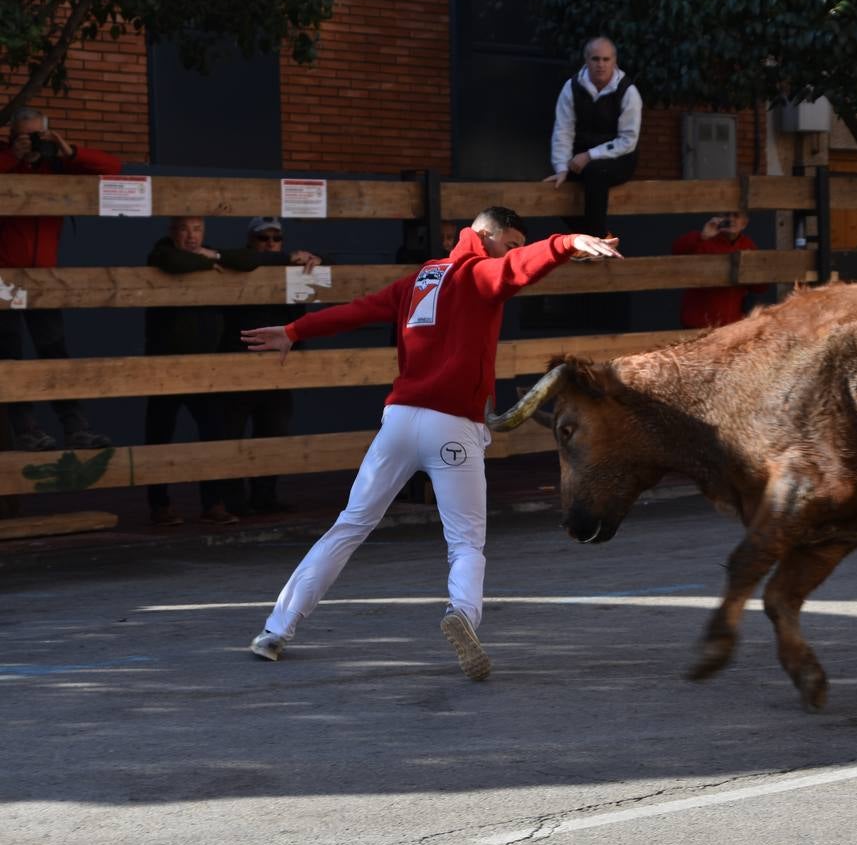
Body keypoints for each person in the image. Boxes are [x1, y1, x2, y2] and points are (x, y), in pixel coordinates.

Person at [242, 208, 621, 680]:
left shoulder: (422, 277)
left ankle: (276, 630)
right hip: (452, 427)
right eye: (511, 241)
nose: (514, 251)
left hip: (399, 421)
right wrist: (565, 243)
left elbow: (359, 310)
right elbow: (516, 268)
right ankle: (462, 614)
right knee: (465, 543)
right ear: (486, 236)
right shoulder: (481, 275)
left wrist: (296, 331)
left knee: (349, 525)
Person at [0, 107, 119, 451]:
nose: (33, 142)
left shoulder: (56, 165)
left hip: (46, 280)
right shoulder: (6, 162)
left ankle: (76, 428)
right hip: (4, 278)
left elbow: (112, 169)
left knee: (55, 354)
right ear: (11, 137)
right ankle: (26, 430)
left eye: (38, 135)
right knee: (9, 357)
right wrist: (12, 156)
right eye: (25, 135)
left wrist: (70, 151)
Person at [145, 216, 263, 525]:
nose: (191, 235)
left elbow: (250, 258)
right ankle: (159, 506)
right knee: (159, 436)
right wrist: (206, 264)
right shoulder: (162, 252)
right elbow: (169, 260)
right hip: (166, 367)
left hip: (206, 367)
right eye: (184, 228)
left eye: (197, 228)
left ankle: (214, 503)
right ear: (172, 232)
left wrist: (216, 257)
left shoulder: (212, 253)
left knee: (214, 433)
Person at [225, 217, 324, 514]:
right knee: (232, 434)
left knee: (274, 431)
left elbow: (328, 265)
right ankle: (232, 501)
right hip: (240, 367)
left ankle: (264, 497)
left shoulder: (293, 271)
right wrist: (282, 258)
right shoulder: (242, 264)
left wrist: (313, 260)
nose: (270, 244)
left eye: (276, 239)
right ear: (250, 242)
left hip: (278, 368)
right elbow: (246, 260)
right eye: (263, 239)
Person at [544, 36, 643, 237]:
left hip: (619, 158)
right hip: (580, 157)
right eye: (596, 59)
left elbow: (628, 141)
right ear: (586, 60)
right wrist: (562, 167)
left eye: (606, 59)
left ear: (614, 61)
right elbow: (563, 130)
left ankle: (595, 238)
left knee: (595, 174)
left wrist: (589, 155)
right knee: (553, 188)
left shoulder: (628, 91)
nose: (601, 65)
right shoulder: (571, 88)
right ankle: (597, 236)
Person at [675, 210, 765, 329]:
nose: (731, 219)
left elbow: (760, 288)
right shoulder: (704, 239)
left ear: (744, 223)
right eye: (726, 215)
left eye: (736, 216)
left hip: (732, 324)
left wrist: (751, 268)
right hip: (700, 323)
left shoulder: (748, 246)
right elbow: (677, 251)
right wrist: (703, 236)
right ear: (719, 218)